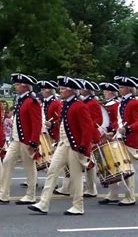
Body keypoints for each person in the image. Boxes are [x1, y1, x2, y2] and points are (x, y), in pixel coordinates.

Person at [28, 76, 94, 215]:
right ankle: (43, 203)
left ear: (71, 90)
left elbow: (87, 129)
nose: (60, 90)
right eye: (61, 88)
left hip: (75, 146)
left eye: (63, 88)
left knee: (76, 176)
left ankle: (78, 206)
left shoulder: (79, 105)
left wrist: (83, 147)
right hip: (63, 144)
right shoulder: (65, 104)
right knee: (52, 170)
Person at [0, 73, 41, 205]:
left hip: (26, 140)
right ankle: (4, 193)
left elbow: (36, 123)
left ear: (25, 87)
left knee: (29, 166)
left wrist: (34, 142)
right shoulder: (21, 99)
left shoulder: (31, 101)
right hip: (17, 139)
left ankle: (31, 195)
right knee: (6, 161)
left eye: (18, 84)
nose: (15, 87)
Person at [98, 76, 138, 206]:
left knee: (128, 169)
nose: (118, 90)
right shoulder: (123, 102)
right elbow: (119, 121)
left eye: (121, 87)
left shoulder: (134, 102)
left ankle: (130, 197)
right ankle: (113, 194)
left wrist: (127, 129)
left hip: (131, 139)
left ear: (129, 89)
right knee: (115, 167)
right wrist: (113, 131)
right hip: (121, 138)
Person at [78, 79, 102, 198]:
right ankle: (89, 187)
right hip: (85, 134)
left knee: (89, 163)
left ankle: (92, 188)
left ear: (86, 90)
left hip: (91, 135)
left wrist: (87, 126)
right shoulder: (84, 102)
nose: (80, 90)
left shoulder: (92, 103)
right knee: (87, 163)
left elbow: (99, 120)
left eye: (82, 88)